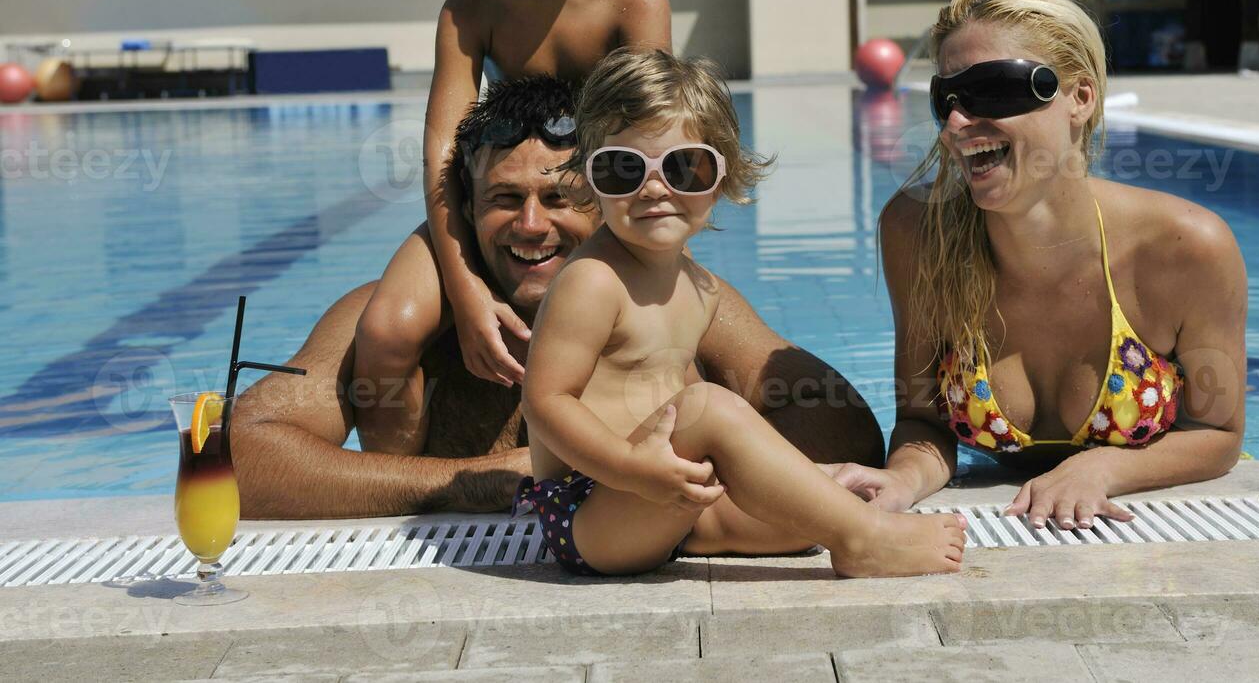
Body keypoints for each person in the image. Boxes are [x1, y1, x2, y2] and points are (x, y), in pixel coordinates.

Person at [232, 76, 882, 519]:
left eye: (558, 199)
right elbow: (239, 454)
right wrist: (467, 482)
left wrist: (687, 482)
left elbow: (843, 426)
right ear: (465, 208)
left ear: (602, 200)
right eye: (505, 200)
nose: (532, 226)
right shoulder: (397, 315)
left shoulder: (674, 297)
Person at [517, 48, 966, 577]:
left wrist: (799, 477)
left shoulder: (698, 287)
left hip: (666, 499)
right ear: (590, 181)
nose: (655, 188)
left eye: (684, 167)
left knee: (808, 511)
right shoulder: (592, 281)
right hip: (592, 508)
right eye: (623, 169)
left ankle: (847, 518)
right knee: (707, 406)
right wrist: (633, 469)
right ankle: (862, 541)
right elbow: (545, 401)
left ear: (721, 177)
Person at [828, 0, 1247, 530]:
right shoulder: (917, 230)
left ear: (1080, 97)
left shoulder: (1185, 247)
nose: (957, 124)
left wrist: (1102, 468)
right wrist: (904, 478)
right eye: (946, 98)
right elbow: (922, 418)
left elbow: (1218, 434)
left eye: (992, 89)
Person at [353, 0, 672, 454]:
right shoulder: (470, 8)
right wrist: (467, 292)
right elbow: (444, 157)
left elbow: (654, 152)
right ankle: (393, 495)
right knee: (384, 332)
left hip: (603, 209)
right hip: (497, 206)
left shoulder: (635, 2)